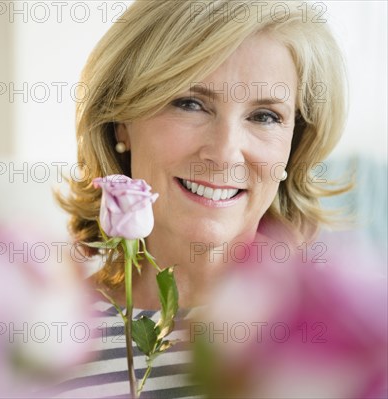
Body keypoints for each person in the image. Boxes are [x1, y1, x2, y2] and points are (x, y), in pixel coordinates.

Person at [55, 1, 349, 397]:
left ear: (294, 146)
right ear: (121, 122)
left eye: (264, 116)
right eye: (190, 103)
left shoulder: (341, 336)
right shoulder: (46, 337)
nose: (225, 152)